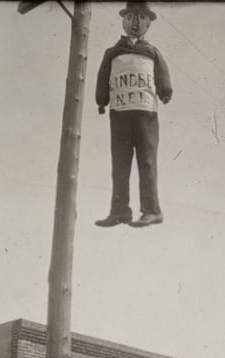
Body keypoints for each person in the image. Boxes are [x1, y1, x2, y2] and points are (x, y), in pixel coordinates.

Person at [95, 1, 173, 228]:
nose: (135, 22)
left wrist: (166, 91)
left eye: (140, 17)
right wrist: (101, 100)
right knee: (119, 163)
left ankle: (152, 210)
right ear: (123, 20)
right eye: (131, 17)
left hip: (146, 116)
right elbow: (103, 77)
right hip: (119, 115)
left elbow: (163, 76)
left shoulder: (152, 52)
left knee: (147, 162)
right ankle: (119, 210)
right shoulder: (112, 52)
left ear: (148, 22)